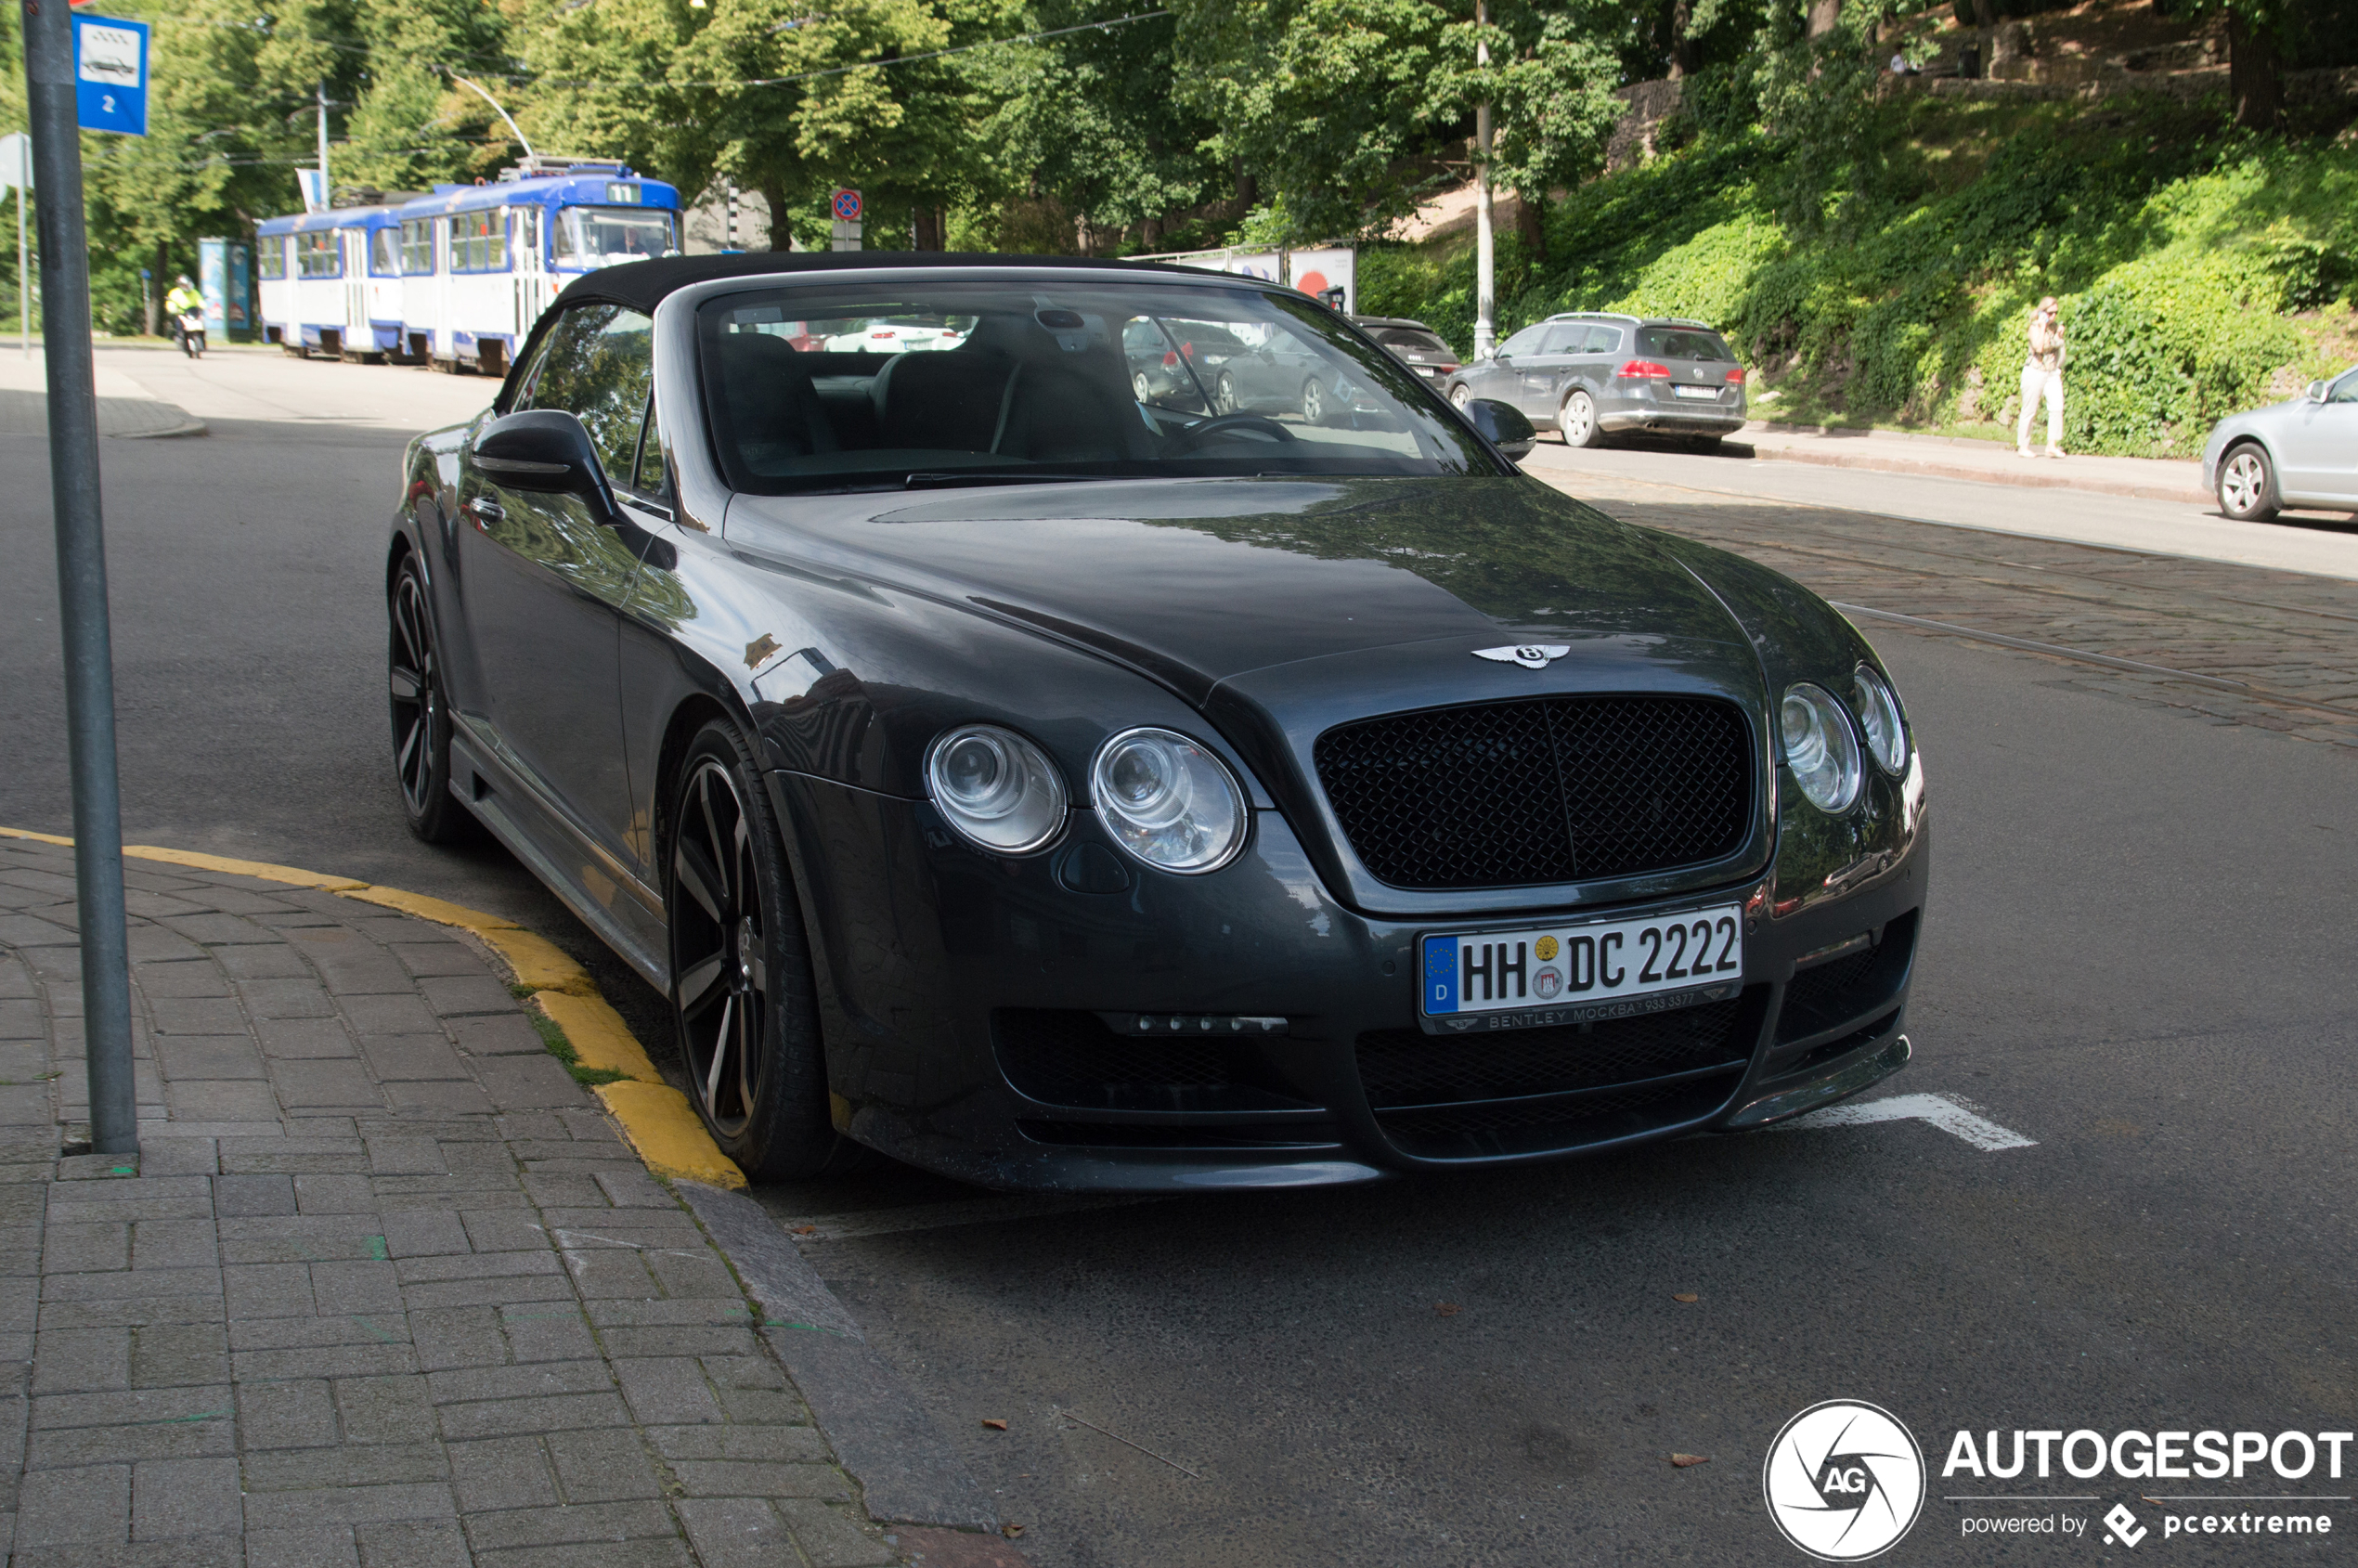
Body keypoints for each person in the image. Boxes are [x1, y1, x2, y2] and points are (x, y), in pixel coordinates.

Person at [2017, 295, 2065, 459]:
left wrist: (2059, 337)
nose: (2053, 317)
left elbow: (2057, 349)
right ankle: (2023, 446)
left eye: (2056, 313)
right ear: (2042, 312)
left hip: (2051, 371)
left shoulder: (2055, 327)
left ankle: (2052, 445)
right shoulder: (2035, 326)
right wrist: (2043, 325)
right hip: (2035, 370)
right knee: (2029, 409)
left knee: (2057, 406)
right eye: (2050, 313)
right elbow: (2038, 347)